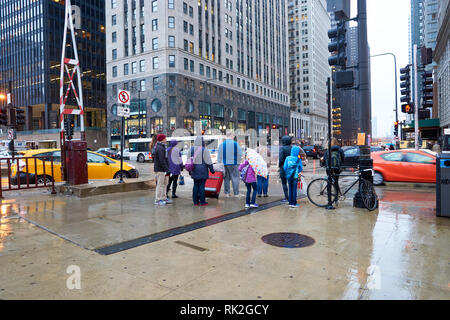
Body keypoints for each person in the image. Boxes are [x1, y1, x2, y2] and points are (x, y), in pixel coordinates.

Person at [190, 136, 215, 206]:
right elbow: (208, 161)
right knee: (201, 186)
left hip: (194, 170)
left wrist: (189, 170)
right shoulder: (205, 150)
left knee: (195, 185)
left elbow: (189, 160)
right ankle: (202, 201)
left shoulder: (192, 149)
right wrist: (212, 169)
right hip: (203, 170)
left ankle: (195, 201)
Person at [218, 133, 243, 197]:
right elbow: (240, 153)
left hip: (225, 163)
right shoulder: (235, 144)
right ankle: (236, 193)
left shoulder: (222, 144)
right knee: (235, 178)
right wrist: (239, 161)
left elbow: (219, 155)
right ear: (231, 136)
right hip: (234, 163)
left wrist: (219, 163)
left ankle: (227, 193)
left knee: (226, 178)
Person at [153, 134, 172, 206]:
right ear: (162, 139)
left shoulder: (162, 146)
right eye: (165, 138)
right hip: (161, 169)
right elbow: (162, 160)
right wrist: (166, 169)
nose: (166, 139)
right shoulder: (160, 148)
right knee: (160, 185)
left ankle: (164, 198)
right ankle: (157, 200)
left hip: (163, 169)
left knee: (164, 184)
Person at [279, 136, 293, 203]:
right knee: (291, 183)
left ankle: (286, 197)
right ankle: (292, 196)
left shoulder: (282, 148)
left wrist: (279, 165)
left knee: (284, 183)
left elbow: (281, 159)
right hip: (291, 167)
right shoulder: (292, 148)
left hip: (283, 167)